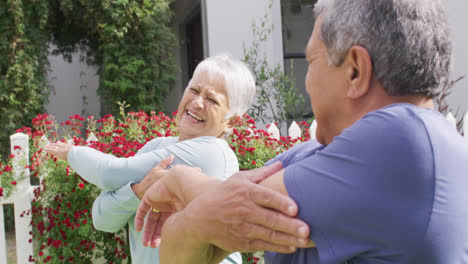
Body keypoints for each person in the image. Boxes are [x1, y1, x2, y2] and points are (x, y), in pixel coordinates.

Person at [135, 0, 468, 263]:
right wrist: (196, 219)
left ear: (355, 70)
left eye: (310, 62)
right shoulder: (311, 155)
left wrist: (179, 182)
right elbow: (190, 229)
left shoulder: (407, 139)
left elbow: (230, 207)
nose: (306, 82)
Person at [44, 54, 268, 264]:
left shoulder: (213, 152)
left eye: (212, 99)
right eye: (194, 90)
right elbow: (102, 219)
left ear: (231, 122)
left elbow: (109, 173)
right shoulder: (156, 147)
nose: (197, 102)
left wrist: (72, 152)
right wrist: (139, 190)